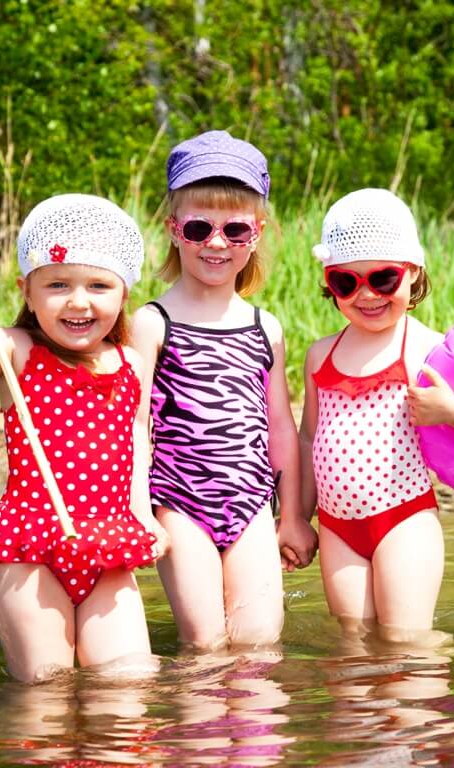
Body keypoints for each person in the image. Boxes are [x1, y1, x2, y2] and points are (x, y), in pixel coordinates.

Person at [0, 192, 169, 682]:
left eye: (98, 284)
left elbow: (138, 442)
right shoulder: (18, 351)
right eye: (57, 284)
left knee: (129, 685)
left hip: (109, 547)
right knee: (45, 692)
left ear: (123, 294)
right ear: (27, 292)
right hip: (30, 549)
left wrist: (143, 516)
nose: (78, 300)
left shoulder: (131, 365)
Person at [131, 130, 317, 651]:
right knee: (205, 642)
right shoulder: (152, 322)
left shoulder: (265, 327)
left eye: (234, 229)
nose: (216, 243)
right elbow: (136, 425)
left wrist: (294, 516)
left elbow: (279, 425)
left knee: (259, 641)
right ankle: (200, 732)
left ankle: (259, 733)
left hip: (252, 503)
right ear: (174, 230)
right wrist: (139, 512)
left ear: (255, 234)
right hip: (178, 503)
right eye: (198, 227)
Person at [298, 188, 454, 645]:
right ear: (330, 284)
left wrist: (451, 409)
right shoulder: (319, 355)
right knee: (354, 642)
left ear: (413, 274)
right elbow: (309, 438)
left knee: (407, 642)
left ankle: (424, 711)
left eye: (383, 279)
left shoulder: (429, 349)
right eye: (346, 283)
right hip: (336, 527)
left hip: (403, 519)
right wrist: (296, 516)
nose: (366, 294)